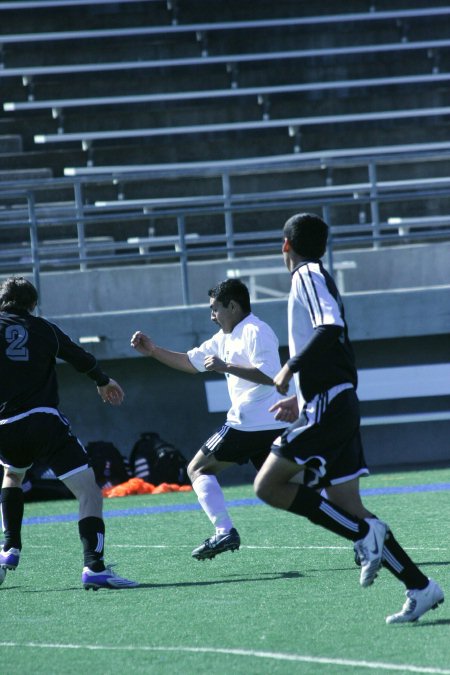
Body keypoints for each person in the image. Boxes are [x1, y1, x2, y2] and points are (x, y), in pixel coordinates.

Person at [254, 213, 444, 624]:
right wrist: (302, 398)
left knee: (267, 485)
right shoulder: (315, 273)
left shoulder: (305, 273)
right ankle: (419, 586)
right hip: (333, 402)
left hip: (330, 402)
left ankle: (363, 536)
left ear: (285, 244)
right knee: (346, 503)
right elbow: (332, 337)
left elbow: (330, 326)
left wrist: (289, 369)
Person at [131, 278, 287, 560]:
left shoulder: (255, 330)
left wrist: (227, 366)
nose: (211, 315)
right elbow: (190, 363)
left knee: (197, 468)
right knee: (285, 489)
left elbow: (271, 376)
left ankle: (224, 531)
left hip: (250, 422)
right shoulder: (224, 338)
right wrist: (153, 351)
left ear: (233, 306)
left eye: (215, 309)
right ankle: (357, 529)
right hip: (268, 424)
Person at [0, 276, 137, 590]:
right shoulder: (43, 328)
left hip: (5, 427)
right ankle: (95, 567)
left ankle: (9, 548)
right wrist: (102, 380)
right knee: (89, 492)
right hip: (43, 421)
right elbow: (77, 355)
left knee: (12, 475)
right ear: (33, 305)